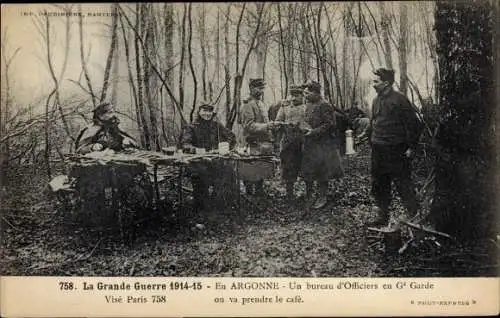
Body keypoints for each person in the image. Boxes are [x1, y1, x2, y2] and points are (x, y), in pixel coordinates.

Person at [366, 68, 421, 227]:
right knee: (379, 183)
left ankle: (415, 215)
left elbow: (414, 125)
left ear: (386, 82)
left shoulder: (400, 99)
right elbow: (374, 122)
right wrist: (367, 135)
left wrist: (411, 146)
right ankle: (382, 215)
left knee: (403, 183)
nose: (373, 84)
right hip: (378, 149)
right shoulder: (376, 100)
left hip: (396, 150)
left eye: (376, 81)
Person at [180, 102, 236, 211]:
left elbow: (231, 137)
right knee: (201, 175)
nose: (207, 113)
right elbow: (185, 144)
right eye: (204, 110)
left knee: (228, 171)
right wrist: (196, 150)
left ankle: (220, 203)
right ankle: (202, 207)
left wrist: (223, 146)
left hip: (215, 160)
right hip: (198, 162)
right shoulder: (191, 127)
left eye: (210, 111)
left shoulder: (216, 126)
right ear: (199, 111)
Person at [301, 81, 344, 210]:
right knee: (310, 169)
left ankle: (322, 197)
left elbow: (329, 124)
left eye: (307, 93)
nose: (305, 96)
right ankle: (310, 195)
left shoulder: (325, 105)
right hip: (310, 143)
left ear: (315, 93)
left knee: (322, 172)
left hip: (323, 144)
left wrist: (313, 132)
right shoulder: (309, 104)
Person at [239, 78, 280, 196]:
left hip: (261, 143)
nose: (261, 91)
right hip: (251, 142)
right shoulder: (248, 104)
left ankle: (259, 193)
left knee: (260, 168)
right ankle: (249, 195)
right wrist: (267, 126)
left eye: (262, 88)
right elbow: (249, 126)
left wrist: (272, 127)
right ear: (251, 88)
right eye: (258, 88)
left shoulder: (260, 103)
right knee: (249, 169)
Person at [275, 84, 307, 200]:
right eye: (292, 95)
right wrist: (282, 126)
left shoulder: (307, 107)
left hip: (304, 142)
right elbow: (278, 122)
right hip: (289, 142)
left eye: (297, 95)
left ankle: (309, 193)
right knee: (288, 167)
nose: (294, 98)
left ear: (302, 96)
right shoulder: (285, 107)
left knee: (306, 167)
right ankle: (289, 194)